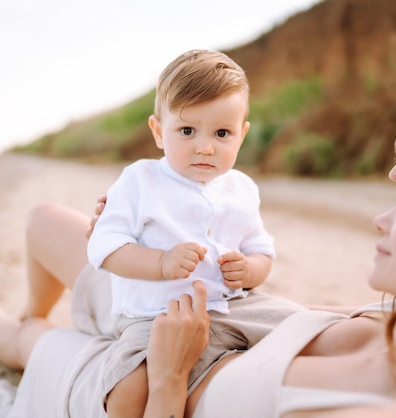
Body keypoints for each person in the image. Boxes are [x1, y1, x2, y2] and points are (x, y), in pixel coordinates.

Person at [0, 70, 396, 417]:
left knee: (31, 340)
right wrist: (135, 228)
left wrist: (170, 380)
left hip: (154, 372)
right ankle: (34, 307)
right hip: (196, 308)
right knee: (44, 220)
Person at [86, 49, 302, 417]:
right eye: (187, 131)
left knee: (303, 328)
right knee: (127, 393)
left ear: (242, 135)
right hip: (155, 316)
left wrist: (250, 270)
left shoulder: (242, 188)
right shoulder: (140, 180)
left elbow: (262, 250)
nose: (205, 146)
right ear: (158, 131)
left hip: (234, 306)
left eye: (222, 133)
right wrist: (161, 262)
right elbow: (104, 246)